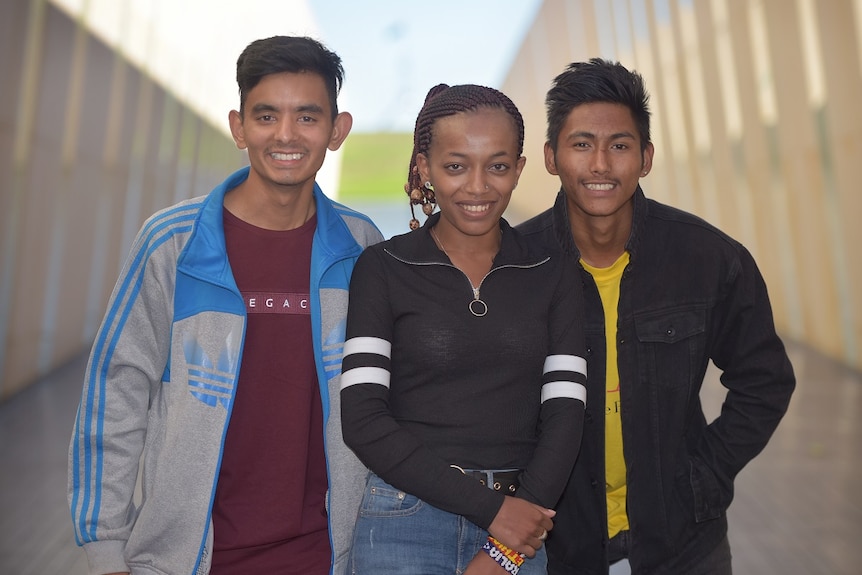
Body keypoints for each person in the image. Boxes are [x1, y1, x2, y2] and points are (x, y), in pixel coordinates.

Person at [67, 36, 382, 575]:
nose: (285, 134)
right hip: (185, 558)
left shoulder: (361, 243)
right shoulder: (172, 241)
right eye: (266, 115)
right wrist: (104, 547)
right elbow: (116, 390)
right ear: (239, 127)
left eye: (307, 116)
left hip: (325, 556)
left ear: (337, 130)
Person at [517, 58, 796, 574]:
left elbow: (766, 380)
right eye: (581, 144)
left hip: (684, 544)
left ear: (645, 158)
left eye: (619, 146)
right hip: (556, 547)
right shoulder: (515, 265)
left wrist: (706, 476)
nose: (600, 164)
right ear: (551, 157)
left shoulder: (707, 259)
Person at [339, 83, 588, 575]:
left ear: (518, 168)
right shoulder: (382, 268)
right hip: (400, 523)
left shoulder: (554, 272)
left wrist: (507, 547)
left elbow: (566, 416)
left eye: (497, 166)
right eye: (456, 166)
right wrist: (492, 511)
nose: (478, 187)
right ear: (425, 168)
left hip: (521, 525)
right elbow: (363, 421)